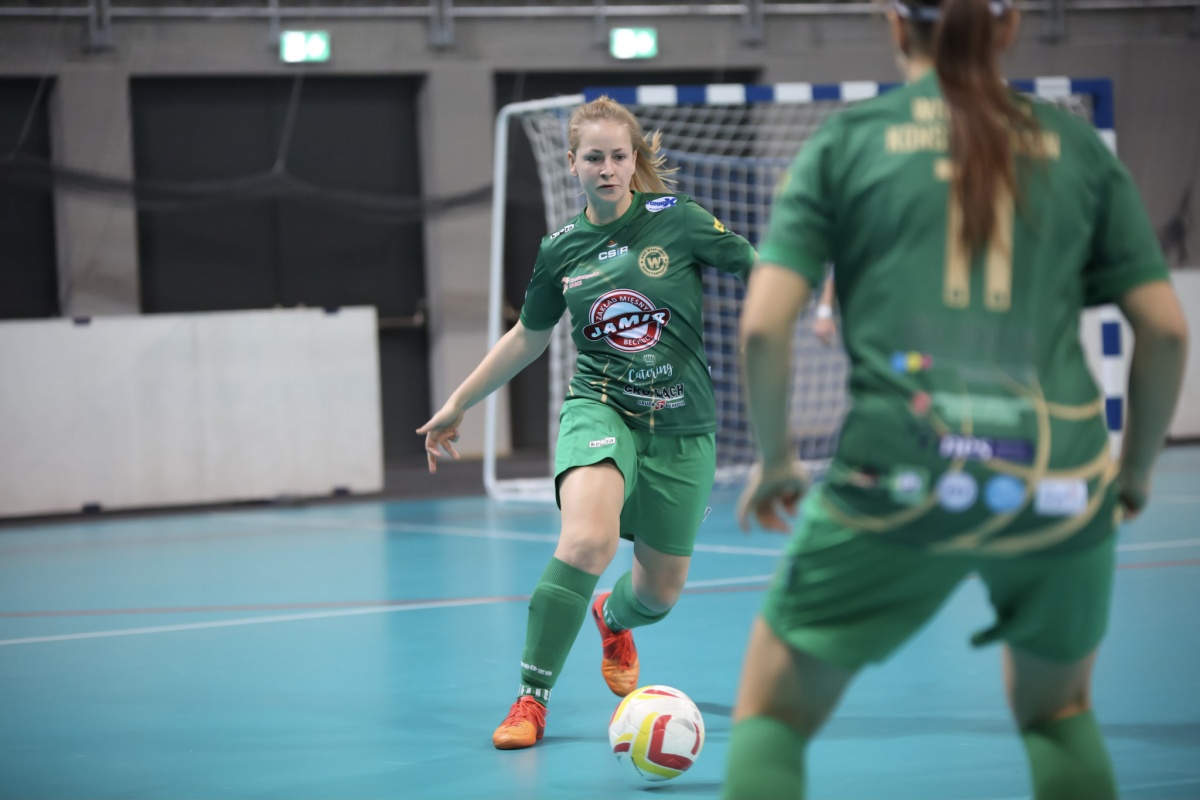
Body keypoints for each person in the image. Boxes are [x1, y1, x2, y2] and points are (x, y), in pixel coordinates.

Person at [722, 0, 1189, 796]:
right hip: (1058, 472)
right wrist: (1136, 472)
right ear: (1010, 25)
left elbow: (764, 327)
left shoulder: (848, 143)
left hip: (902, 470)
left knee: (775, 715)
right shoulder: (1076, 146)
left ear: (893, 23)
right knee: (1058, 713)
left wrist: (776, 461)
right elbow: (1167, 331)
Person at [417, 95, 757, 750]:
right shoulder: (561, 249)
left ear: (634, 161)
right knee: (586, 542)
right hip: (601, 408)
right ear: (571, 163)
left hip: (683, 429)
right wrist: (459, 401)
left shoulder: (678, 220)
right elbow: (527, 335)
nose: (607, 168)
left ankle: (613, 617)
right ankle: (531, 698)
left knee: (658, 595)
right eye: (594, 157)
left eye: (618, 157)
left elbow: (758, 269)